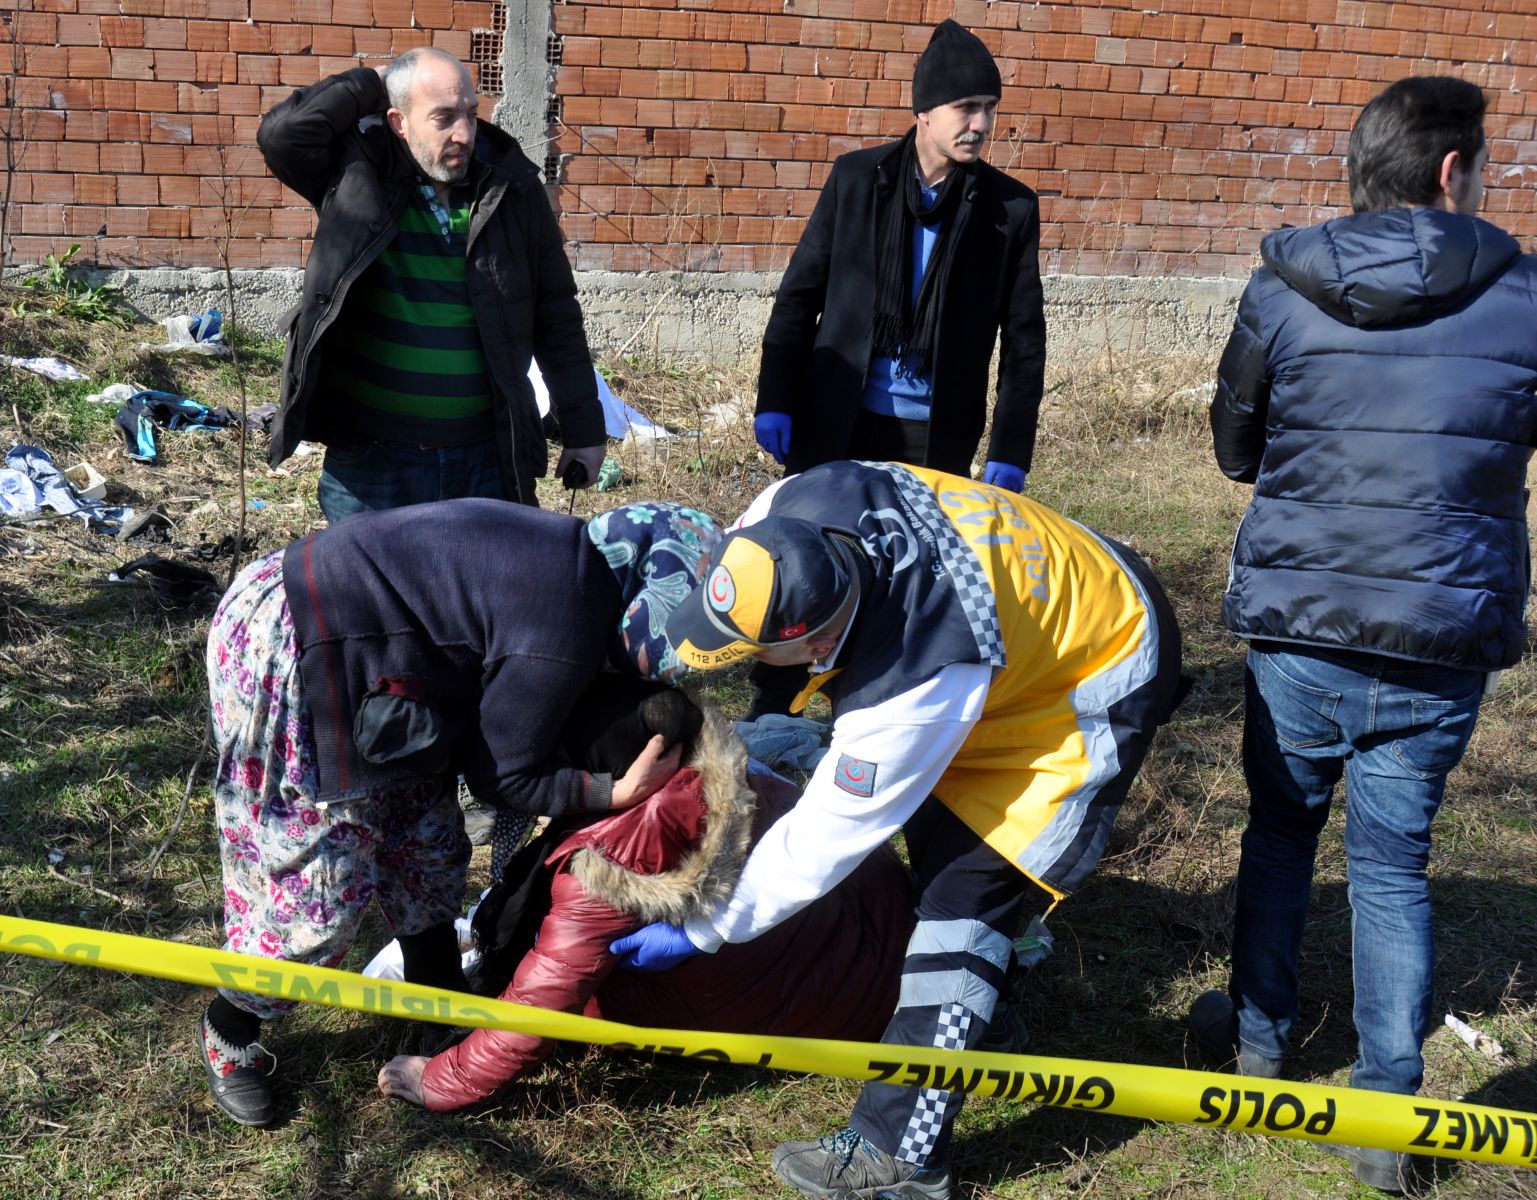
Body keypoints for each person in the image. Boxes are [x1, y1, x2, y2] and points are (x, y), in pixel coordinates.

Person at [614, 461, 1185, 1200]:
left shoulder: (918, 678)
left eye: (760, 655)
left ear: (816, 646)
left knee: (964, 898)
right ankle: (984, 1013)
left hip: (1090, 669)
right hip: (1048, 597)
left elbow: (825, 838)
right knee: (935, 839)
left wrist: (708, 926)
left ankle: (904, 1156)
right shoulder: (785, 508)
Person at [1188, 76, 1537, 1195]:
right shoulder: (1525, 299)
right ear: (1452, 173)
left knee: (1283, 831)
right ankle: (1388, 1110)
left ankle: (1254, 1038)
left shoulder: (1279, 293)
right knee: (1393, 864)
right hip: (1441, 630)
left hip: (1302, 623)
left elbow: (1235, 449)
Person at [198, 500, 720, 1127]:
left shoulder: (578, 563)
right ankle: (230, 1027)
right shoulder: (566, 623)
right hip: (299, 640)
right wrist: (611, 794)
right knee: (316, 894)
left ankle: (437, 1004)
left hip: (380, 657)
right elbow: (505, 776)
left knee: (426, 845)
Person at [376, 678, 914, 1111]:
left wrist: (444, 1080)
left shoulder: (615, 856)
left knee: (588, 987)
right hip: (887, 927)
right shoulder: (714, 762)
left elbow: (545, 999)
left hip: (833, 1007)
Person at [746, 18, 1046, 719]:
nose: (980, 124)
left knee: (909, 580)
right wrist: (775, 398)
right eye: (966, 109)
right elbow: (800, 296)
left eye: (989, 112)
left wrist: (1008, 452)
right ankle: (771, 713)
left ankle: (874, 712)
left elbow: (1024, 341)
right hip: (837, 417)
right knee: (802, 563)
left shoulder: (1007, 208)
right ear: (923, 111)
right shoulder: (858, 181)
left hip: (930, 435)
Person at [257, 47, 606, 520]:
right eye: (443, 117)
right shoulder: (360, 173)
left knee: (483, 593)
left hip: (486, 457)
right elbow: (282, 135)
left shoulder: (510, 187)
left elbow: (556, 314)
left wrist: (584, 429)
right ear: (399, 122)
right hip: (372, 466)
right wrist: (372, 81)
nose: (463, 133)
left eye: (470, 113)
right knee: (376, 595)